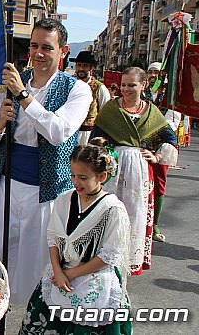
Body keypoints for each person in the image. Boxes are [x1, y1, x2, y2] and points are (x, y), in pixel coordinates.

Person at [0, 18, 93, 305]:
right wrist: (0, 123)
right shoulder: (10, 82)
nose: (38, 53)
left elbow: (59, 132)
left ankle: (35, 320)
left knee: (39, 264)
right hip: (6, 184)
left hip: (47, 191)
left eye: (47, 47)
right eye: (34, 46)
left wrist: (23, 96)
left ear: (63, 51)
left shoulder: (77, 89)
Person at [19, 143, 132, 335]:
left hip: (92, 275)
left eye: (83, 177)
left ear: (102, 177)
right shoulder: (64, 199)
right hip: (60, 273)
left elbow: (108, 256)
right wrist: (58, 271)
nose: (76, 182)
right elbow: (53, 238)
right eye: (72, 176)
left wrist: (70, 274)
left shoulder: (113, 209)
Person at [92, 67, 177, 275]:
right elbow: (96, 138)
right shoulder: (111, 109)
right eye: (123, 85)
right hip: (114, 170)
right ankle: (105, 262)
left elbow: (170, 139)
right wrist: (104, 150)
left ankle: (129, 262)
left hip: (140, 173)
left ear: (143, 85)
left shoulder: (151, 112)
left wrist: (156, 156)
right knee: (111, 214)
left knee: (135, 215)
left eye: (132, 85)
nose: (126, 89)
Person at [143, 61, 179, 243]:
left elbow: (174, 118)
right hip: (141, 144)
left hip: (160, 144)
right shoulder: (143, 91)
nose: (153, 75)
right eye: (150, 72)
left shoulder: (168, 94)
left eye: (156, 72)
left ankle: (154, 223)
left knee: (158, 184)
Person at [70, 51, 110, 145]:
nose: (81, 69)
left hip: (88, 134)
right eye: (79, 65)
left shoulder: (99, 88)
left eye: (85, 66)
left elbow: (105, 113)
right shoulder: (70, 85)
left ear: (91, 68)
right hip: (70, 132)